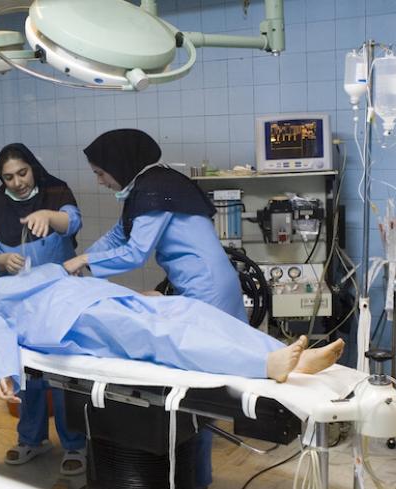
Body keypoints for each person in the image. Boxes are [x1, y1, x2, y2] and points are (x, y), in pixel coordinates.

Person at [62, 129, 244, 488]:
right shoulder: (150, 187)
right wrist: (79, 263)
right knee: (197, 391)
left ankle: (195, 479)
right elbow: (119, 236)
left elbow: (134, 252)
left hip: (207, 292)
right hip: (203, 287)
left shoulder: (155, 190)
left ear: (118, 164)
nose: (99, 180)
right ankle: (194, 476)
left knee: (198, 394)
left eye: (100, 172)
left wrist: (83, 261)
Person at [0, 262, 345, 403]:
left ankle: (289, 354)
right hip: (76, 323)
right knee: (164, 337)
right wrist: (5, 369)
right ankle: (263, 364)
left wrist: (131, 293)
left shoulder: (10, 281)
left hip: (100, 299)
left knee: (188, 308)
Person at [0, 143, 86, 474]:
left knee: (63, 373)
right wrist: (0, 259)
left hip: (60, 298)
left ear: (33, 167)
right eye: (8, 177)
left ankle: (76, 444)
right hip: (22, 303)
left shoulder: (55, 190)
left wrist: (47, 216)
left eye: (22, 173)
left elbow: (72, 222)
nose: (17, 182)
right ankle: (31, 439)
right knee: (29, 374)